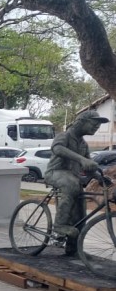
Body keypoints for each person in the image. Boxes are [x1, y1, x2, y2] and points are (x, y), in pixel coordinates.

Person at [44, 109, 109, 255]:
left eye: (98, 126)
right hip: (55, 173)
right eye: (94, 124)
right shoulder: (64, 136)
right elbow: (57, 149)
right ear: (82, 122)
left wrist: (100, 177)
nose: (96, 128)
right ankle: (59, 225)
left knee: (81, 211)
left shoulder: (83, 144)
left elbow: (88, 166)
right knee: (72, 184)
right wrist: (81, 159)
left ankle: (73, 248)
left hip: (72, 177)